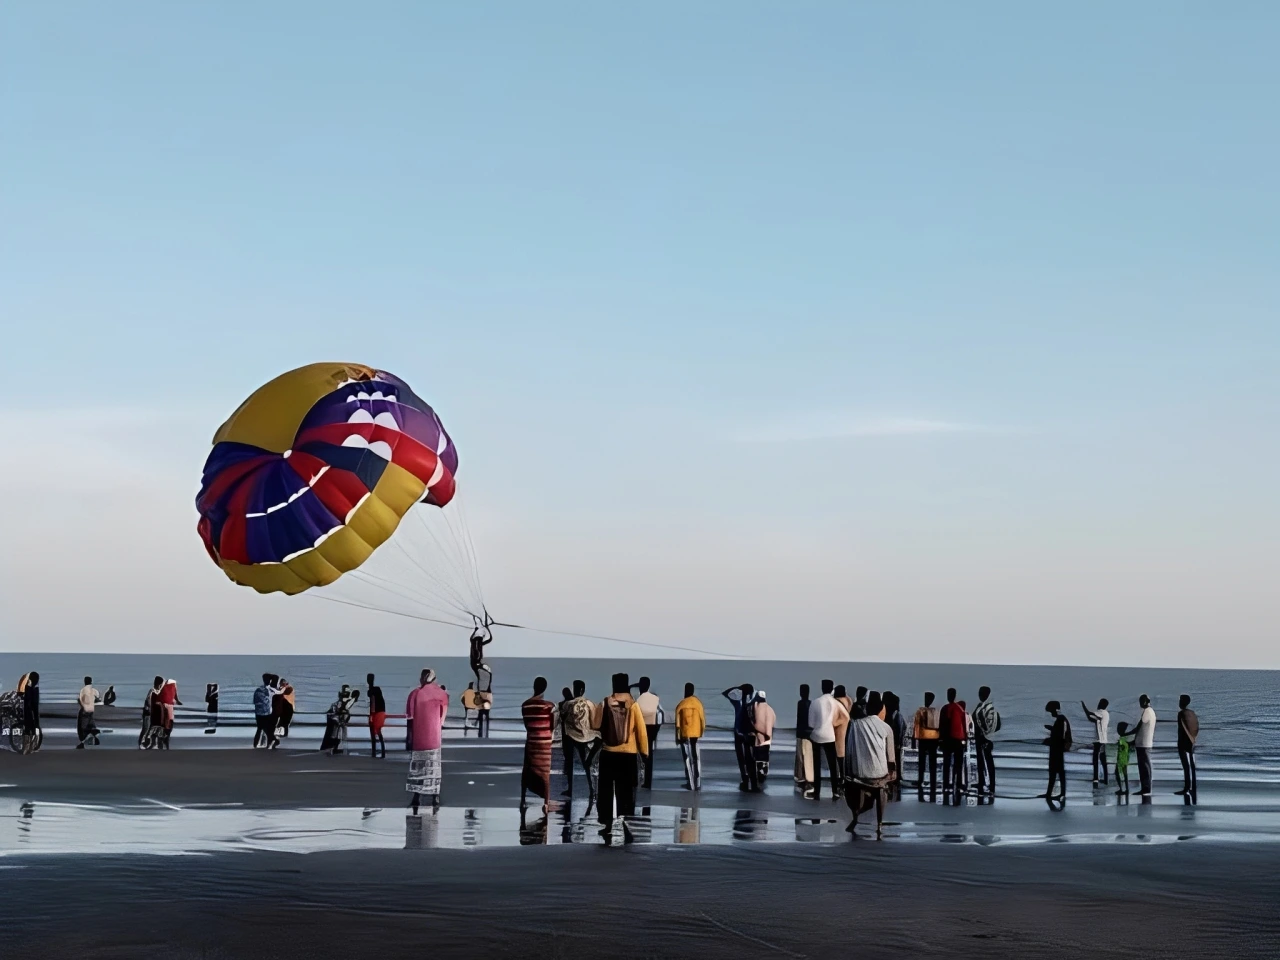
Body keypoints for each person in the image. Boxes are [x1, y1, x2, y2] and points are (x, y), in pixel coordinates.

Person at [592, 673, 649, 843]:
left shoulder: (605, 702)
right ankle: (626, 825)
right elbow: (641, 730)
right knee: (627, 791)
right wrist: (644, 752)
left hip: (608, 753)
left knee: (606, 791)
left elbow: (595, 724)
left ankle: (607, 825)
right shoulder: (633, 705)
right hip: (629, 754)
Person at [845, 691, 896, 838]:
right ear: (881, 710)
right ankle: (879, 824)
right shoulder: (886, 728)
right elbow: (891, 759)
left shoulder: (855, 724)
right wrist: (893, 777)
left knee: (855, 786)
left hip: (858, 774)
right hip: (878, 775)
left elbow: (849, 751)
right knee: (883, 784)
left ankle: (855, 816)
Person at [404, 669, 449, 814]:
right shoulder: (442, 695)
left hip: (418, 738)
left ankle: (416, 797)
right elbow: (442, 720)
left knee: (418, 769)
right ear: (435, 679)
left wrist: (409, 738)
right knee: (434, 768)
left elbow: (410, 719)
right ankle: (435, 796)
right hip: (434, 738)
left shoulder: (415, 694)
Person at [520, 677, 558, 813]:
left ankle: (523, 799)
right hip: (545, 743)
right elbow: (552, 726)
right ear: (545, 688)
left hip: (531, 741)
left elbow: (527, 725)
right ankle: (546, 803)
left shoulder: (525, 705)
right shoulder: (550, 706)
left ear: (534, 687)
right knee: (545, 774)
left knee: (527, 769)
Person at [560, 680, 600, 801]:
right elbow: (595, 722)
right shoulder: (590, 704)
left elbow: (562, 718)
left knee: (570, 763)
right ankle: (592, 789)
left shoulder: (568, 704)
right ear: (583, 690)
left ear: (576, 689)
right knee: (586, 760)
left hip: (571, 736)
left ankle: (571, 789)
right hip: (585, 736)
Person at [808, 679, 847, 801]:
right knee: (832, 765)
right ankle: (835, 791)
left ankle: (817, 792)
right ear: (832, 689)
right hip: (830, 735)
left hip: (816, 735)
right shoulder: (835, 703)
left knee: (816, 765)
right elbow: (846, 716)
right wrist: (835, 723)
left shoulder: (815, 702)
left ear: (822, 688)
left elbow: (811, 723)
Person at [722, 683, 757, 791]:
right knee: (747, 758)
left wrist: (737, 688)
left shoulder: (740, 703)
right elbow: (725, 693)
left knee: (745, 758)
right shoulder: (750, 704)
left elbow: (726, 693)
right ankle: (749, 780)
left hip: (742, 733)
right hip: (745, 733)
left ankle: (747, 779)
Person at [674, 683, 705, 791]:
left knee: (687, 757)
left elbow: (677, 723)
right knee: (695, 756)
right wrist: (701, 731)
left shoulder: (681, 704)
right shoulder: (698, 703)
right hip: (695, 733)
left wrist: (677, 737)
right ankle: (697, 779)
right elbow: (702, 720)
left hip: (684, 732)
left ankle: (689, 779)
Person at [633, 677, 662, 790]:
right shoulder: (655, 698)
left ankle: (635, 780)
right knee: (649, 758)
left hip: (641, 728)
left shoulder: (638, 700)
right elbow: (660, 714)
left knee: (637, 756)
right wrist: (656, 730)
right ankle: (647, 782)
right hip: (652, 728)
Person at [971, 686, 1000, 795]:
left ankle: (989, 785)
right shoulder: (983, 707)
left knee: (987, 761)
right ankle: (983, 783)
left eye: (982, 693)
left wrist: (985, 734)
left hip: (984, 738)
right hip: (981, 738)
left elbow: (990, 725)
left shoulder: (987, 708)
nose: (980, 695)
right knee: (983, 762)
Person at [939, 688, 967, 799]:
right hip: (959, 740)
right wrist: (965, 740)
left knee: (947, 764)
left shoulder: (945, 708)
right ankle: (958, 784)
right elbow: (964, 725)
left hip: (947, 740)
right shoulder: (960, 709)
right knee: (958, 764)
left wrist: (940, 740)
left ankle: (946, 785)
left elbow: (942, 726)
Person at [1043, 700, 1071, 806]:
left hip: (1056, 749)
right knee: (1058, 771)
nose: (1051, 714)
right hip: (1058, 749)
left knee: (1054, 771)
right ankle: (1056, 793)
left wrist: (1049, 741)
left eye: (1051, 711)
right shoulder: (1061, 719)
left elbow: (1060, 737)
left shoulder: (1060, 720)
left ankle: (1051, 793)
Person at [913, 692, 941, 792]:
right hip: (934, 739)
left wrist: (914, 739)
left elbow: (916, 725)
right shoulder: (936, 712)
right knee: (932, 763)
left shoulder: (920, 711)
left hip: (923, 739)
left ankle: (921, 781)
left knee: (922, 763)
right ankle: (933, 783)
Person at [320, 685, 359, 754]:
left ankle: (333, 748)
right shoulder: (346, 702)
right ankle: (334, 748)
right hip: (338, 720)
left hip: (336, 719)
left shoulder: (339, 702)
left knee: (335, 734)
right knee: (337, 734)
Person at [883, 691, 908, 797]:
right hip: (896, 744)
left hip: (892, 743)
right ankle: (896, 779)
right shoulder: (898, 715)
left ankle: (891, 780)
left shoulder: (889, 716)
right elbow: (903, 727)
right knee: (895, 761)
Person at [1081, 698, 1110, 785]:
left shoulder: (1101, 712)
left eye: (1099, 703)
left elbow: (1090, 713)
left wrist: (1084, 706)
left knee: (1096, 759)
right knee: (1103, 759)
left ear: (1101, 704)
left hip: (1099, 740)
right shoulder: (1106, 714)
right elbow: (1091, 719)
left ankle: (1096, 778)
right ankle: (1105, 778)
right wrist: (1087, 713)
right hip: (1104, 740)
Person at [1133, 694, 1157, 798]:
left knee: (1144, 767)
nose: (1139, 704)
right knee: (1145, 766)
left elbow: (1139, 726)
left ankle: (1146, 788)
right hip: (1145, 743)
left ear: (1144, 702)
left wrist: (1128, 734)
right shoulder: (1151, 712)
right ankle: (1145, 787)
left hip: (1143, 743)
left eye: (1140, 702)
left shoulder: (1147, 711)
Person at [1176, 694, 1199, 802]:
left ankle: (1186, 787)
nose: (1179, 702)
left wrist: (1187, 739)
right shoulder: (1192, 713)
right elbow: (1196, 726)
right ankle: (1192, 786)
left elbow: (1183, 728)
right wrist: (1193, 738)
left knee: (1186, 766)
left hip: (1184, 742)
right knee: (1192, 765)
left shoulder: (1181, 713)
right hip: (1192, 741)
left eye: (1180, 700)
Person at [752, 690, 777, 785]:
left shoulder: (756, 708)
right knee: (765, 755)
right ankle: (764, 771)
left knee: (758, 754)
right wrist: (768, 733)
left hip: (759, 736)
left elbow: (755, 722)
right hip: (767, 736)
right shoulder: (769, 709)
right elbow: (772, 720)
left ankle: (760, 771)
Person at [794, 684, 815, 791]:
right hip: (808, 733)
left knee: (801, 756)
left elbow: (800, 720)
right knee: (807, 756)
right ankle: (806, 776)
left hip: (801, 733)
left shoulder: (801, 703)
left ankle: (801, 776)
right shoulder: (810, 704)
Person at [832, 684, 853, 778]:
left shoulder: (837, 702)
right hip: (848, 728)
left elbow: (834, 721)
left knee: (839, 756)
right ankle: (846, 776)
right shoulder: (848, 701)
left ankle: (840, 777)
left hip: (839, 731)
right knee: (846, 755)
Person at [253, 674, 278, 749]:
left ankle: (260, 743)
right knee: (264, 728)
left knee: (262, 728)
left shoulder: (264, 690)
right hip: (264, 712)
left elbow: (255, 701)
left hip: (263, 712)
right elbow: (258, 701)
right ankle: (272, 740)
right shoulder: (265, 690)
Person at [367, 673, 388, 758]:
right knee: (377, 731)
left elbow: (373, 701)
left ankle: (376, 752)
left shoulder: (373, 690)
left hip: (376, 712)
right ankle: (379, 751)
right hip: (380, 712)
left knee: (375, 731)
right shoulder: (376, 690)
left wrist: (371, 715)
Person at [77, 676, 101, 748]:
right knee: (91, 724)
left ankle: (82, 742)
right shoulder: (94, 690)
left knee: (82, 727)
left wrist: (82, 706)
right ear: (91, 681)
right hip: (91, 710)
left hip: (84, 710)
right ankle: (95, 736)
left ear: (85, 681)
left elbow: (80, 700)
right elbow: (98, 699)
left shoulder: (83, 690)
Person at [157, 678, 181, 749]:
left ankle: (163, 737)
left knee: (165, 722)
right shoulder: (172, 686)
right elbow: (175, 695)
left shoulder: (165, 687)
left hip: (163, 705)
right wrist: (177, 701)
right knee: (169, 721)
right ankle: (165, 737)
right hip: (168, 705)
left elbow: (161, 695)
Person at [21, 671, 40, 754]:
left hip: (27, 711)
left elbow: (27, 700)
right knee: (34, 728)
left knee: (27, 729)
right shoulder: (36, 688)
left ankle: (26, 747)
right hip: (34, 711)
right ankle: (32, 746)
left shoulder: (27, 687)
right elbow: (35, 702)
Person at [141, 676, 163, 749]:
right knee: (146, 729)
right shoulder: (152, 691)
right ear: (158, 684)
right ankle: (142, 743)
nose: (161, 686)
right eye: (160, 685)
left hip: (152, 714)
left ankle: (149, 743)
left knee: (150, 728)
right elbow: (148, 701)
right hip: (148, 713)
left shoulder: (156, 692)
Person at [469, 626, 493, 692]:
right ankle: (483, 689)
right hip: (475, 664)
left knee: (485, 674)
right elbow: (490, 639)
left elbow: (490, 639)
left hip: (477, 663)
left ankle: (483, 689)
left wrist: (475, 630)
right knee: (487, 673)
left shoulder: (477, 643)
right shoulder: (475, 644)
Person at [1114, 721, 1133, 796]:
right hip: (1125, 758)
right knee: (1125, 774)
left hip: (1121, 759)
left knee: (1117, 773)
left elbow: (1122, 748)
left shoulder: (1122, 739)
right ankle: (1126, 789)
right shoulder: (1124, 738)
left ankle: (1121, 789)